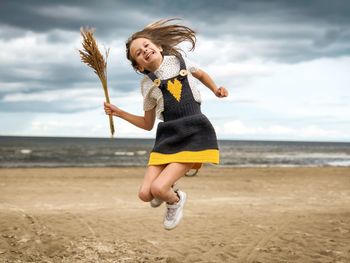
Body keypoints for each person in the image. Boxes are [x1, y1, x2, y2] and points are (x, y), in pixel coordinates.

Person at [104, 18, 228, 230]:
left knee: (159, 189)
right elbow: (147, 124)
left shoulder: (181, 62)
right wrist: (119, 113)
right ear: (139, 66)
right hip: (167, 137)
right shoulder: (147, 86)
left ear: (159, 46)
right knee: (145, 194)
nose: (144, 51)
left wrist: (215, 89)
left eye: (146, 46)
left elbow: (202, 74)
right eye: (138, 53)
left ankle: (176, 199)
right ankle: (170, 189)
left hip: (194, 133)